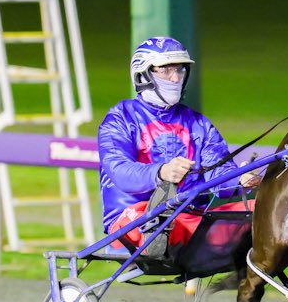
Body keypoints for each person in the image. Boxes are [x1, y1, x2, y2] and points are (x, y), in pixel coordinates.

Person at [98, 36, 261, 255]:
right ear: (143, 74)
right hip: (134, 219)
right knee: (159, 221)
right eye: (166, 70)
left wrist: (239, 180)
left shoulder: (198, 123)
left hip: (192, 216)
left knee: (267, 209)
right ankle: (171, 235)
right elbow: (119, 171)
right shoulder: (120, 119)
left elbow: (217, 172)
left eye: (180, 70)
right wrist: (161, 172)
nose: (175, 78)